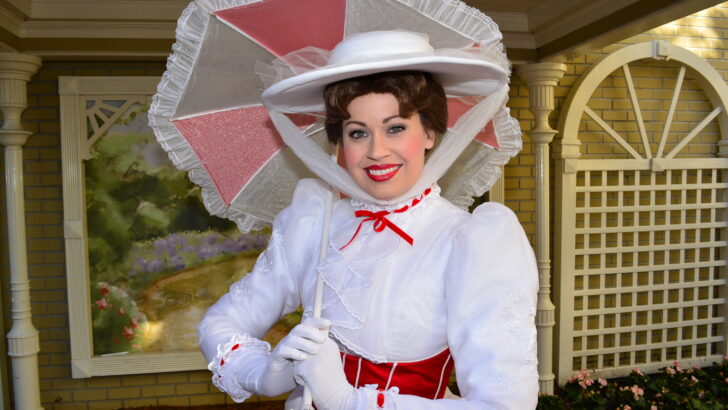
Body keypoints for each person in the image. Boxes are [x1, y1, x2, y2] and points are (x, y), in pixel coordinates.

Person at [197, 30, 539, 409]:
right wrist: (268, 372)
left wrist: (347, 400)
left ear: (428, 132)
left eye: (395, 127)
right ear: (340, 143)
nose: (376, 151)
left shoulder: (470, 242)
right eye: (357, 133)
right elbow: (220, 323)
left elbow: (505, 405)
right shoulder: (315, 222)